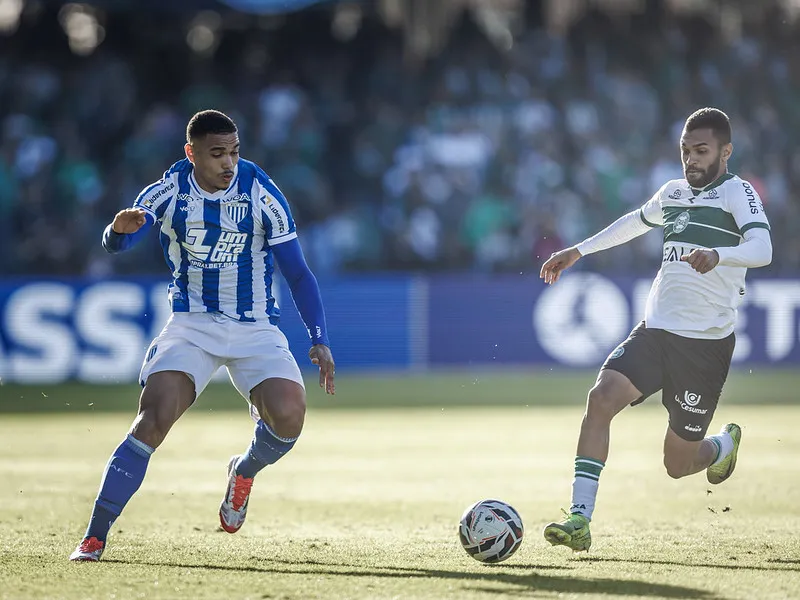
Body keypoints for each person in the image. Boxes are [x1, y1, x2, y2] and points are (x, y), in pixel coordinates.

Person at [69, 110, 335, 562]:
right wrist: (116, 232)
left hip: (254, 327)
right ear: (191, 153)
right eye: (217, 154)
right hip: (192, 326)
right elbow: (124, 240)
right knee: (151, 421)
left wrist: (318, 336)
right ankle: (94, 537)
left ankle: (243, 470)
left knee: (290, 417)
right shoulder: (169, 189)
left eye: (234, 151)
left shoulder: (261, 192)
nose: (229, 162)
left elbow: (298, 272)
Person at [539, 107, 772, 552]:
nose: (691, 160)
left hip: (704, 347)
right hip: (657, 331)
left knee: (677, 463)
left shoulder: (737, 193)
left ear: (725, 152)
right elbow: (634, 222)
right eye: (685, 151)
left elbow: (763, 247)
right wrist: (579, 251)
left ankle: (721, 446)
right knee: (601, 397)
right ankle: (579, 518)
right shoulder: (673, 193)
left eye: (701, 151)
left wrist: (721, 255)